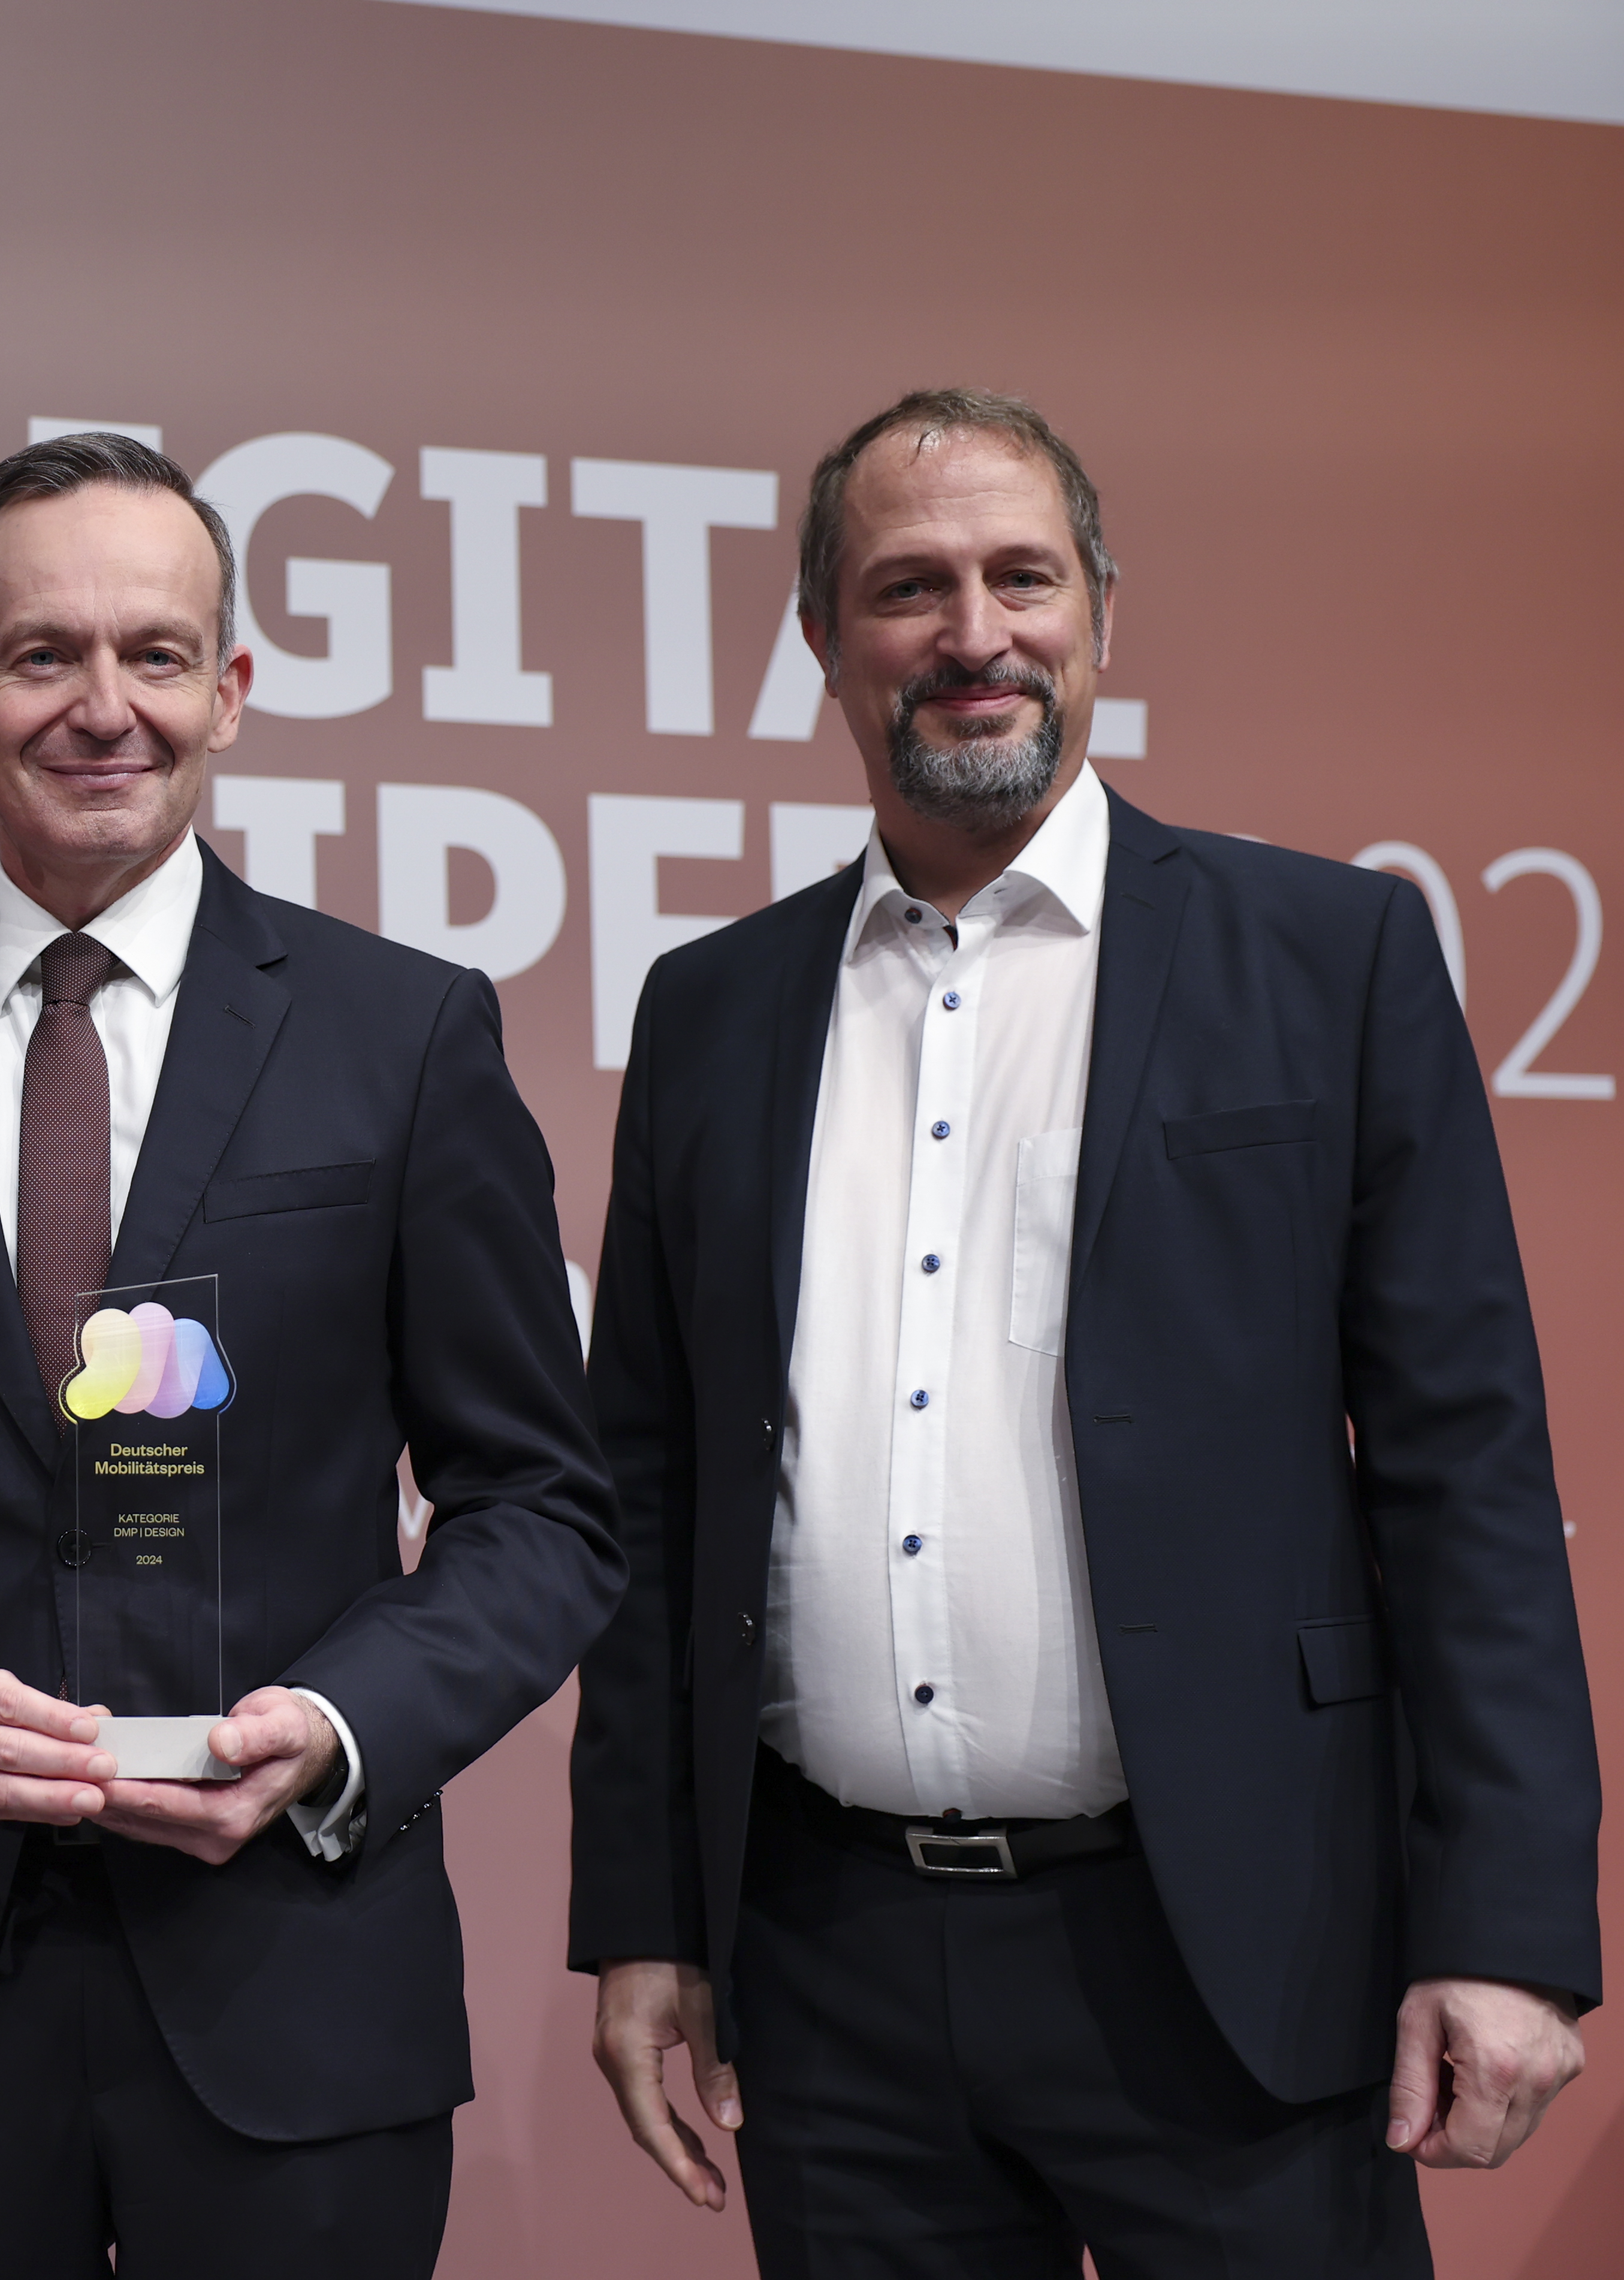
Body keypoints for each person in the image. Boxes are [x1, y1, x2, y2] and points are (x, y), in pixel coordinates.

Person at [569, 387, 1597, 2277]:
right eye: (907, 587)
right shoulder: (709, 1012)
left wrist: (1509, 1926)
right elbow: (647, 1494)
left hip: (1235, 1948)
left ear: (1099, 616)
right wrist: (647, 1916)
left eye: (1019, 576)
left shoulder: (1328, 959)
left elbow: (1466, 1470)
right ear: (819, 640)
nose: (973, 634)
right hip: (831, 1971)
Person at [0, 432, 620, 2278]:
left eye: (155, 655)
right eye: (42, 653)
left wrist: (331, 1733)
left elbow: (538, 1506)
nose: (101, 708)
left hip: (297, 1987)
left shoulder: (403, 1041)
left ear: (230, 695)